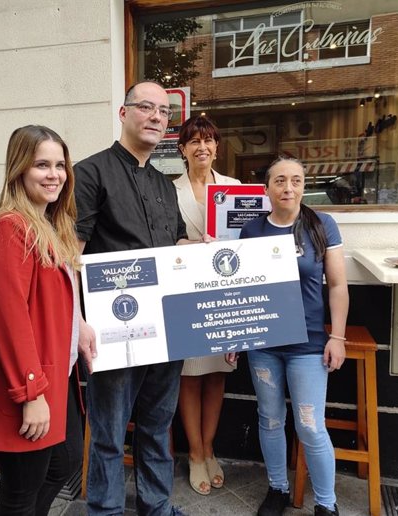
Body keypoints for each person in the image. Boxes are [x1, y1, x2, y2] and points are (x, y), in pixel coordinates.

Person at [75, 81, 193, 516]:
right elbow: (72, 254)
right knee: (107, 428)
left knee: (158, 423)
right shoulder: (89, 173)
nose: (156, 117)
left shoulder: (166, 185)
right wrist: (77, 319)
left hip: (168, 323)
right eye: (146, 107)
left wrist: (212, 257)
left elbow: (177, 243)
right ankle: (104, 510)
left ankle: (155, 504)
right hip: (114, 325)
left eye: (163, 112)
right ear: (123, 114)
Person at [0, 125, 83, 515]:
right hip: (28, 383)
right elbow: (9, 316)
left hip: (56, 375)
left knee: (62, 467)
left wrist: (80, 327)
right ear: (19, 169)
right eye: (42, 165)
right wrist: (30, 394)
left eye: (60, 165)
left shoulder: (51, 223)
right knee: (21, 491)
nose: (54, 174)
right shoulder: (9, 228)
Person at [235, 157, 349, 516]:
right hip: (264, 346)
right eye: (280, 181)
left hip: (309, 344)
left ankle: (326, 505)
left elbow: (338, 284)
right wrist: (237, 336)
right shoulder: (252, 232)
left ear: (303, 185)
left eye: (297, 180)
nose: (289, 188)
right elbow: (242, 289)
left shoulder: (322, 224)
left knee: (310, 425)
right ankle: (277, 489)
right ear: (266, 188)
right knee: (269, 418)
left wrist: (338, 337)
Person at [173, 115, 239, 495]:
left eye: (209, 140)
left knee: (217, 375)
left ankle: (209, 446)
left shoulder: (234, 189)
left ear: (217, 147)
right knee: (189, 376)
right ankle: (195, 453)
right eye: (194, 141)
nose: (203, 147)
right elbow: (166, 238)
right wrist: (190, 247)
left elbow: (249, 238)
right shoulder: (170, 191)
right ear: (182, 149)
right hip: (188, 292)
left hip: (227, 294)